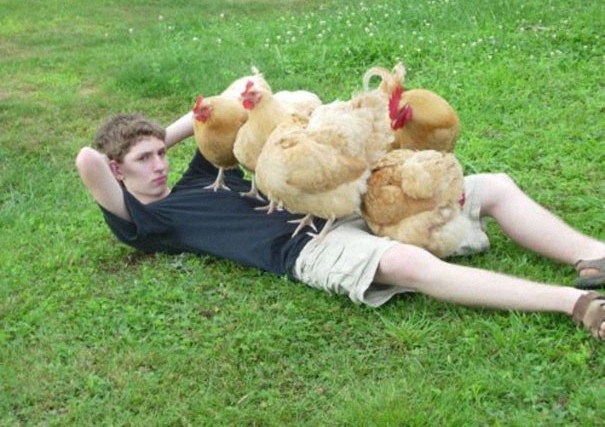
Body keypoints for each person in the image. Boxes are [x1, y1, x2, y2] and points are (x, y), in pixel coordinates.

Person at [76, 112, 605, 340]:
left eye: (160, 153)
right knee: (407, 263)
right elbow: (87, 160)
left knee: (494, 185)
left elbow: (234, 92)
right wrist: (138, 144)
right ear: (119, 171)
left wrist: (151, 136)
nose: (160, 164)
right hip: (303, 249)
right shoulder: (149, 221)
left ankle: (592, 254)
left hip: (334, 203)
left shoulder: (202, 174)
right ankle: (575, 303)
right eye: (144, 160)